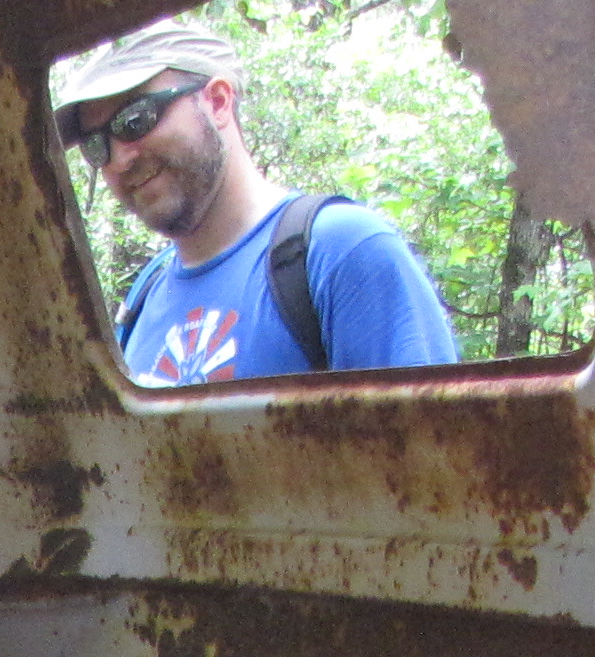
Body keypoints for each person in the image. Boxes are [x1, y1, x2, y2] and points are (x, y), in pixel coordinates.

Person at [49, 18, 459, 386]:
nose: (120, 159)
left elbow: (434, 457)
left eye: (135, 121)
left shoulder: (342, 251)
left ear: (218, 101)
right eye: (97, 145)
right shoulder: (144, 295)